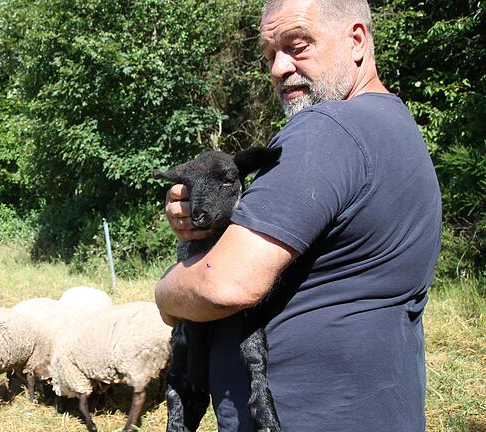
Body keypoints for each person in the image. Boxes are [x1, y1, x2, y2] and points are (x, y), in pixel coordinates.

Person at [154, 0, 442, 431]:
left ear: (357, 40)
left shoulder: (326, 129)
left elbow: (224, 283)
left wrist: (165, 294)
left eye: (297, 45)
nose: (278, 68)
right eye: (271, 54)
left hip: (308, 416)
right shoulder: (395, 126)